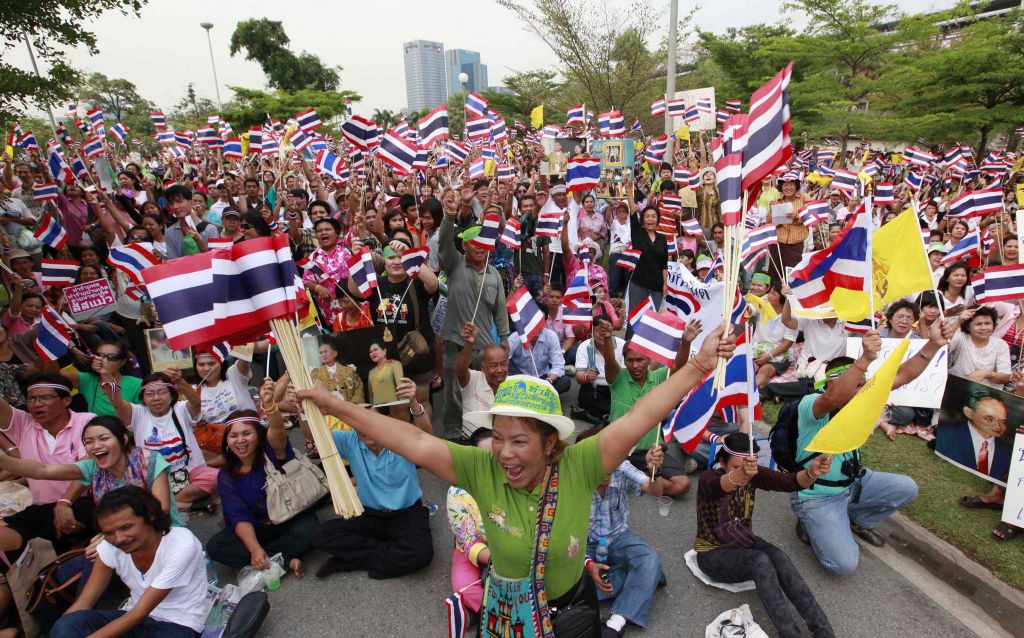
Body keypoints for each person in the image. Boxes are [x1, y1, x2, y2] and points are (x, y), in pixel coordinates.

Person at [296, 326, 735, 637]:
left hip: (574, 615)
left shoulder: (581, 465)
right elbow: (410, 439)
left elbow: (642, 414)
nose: (504, 453)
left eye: (520, 441)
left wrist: (699, 363)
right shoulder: (480, 467)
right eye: (499, 438)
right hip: (509, 615)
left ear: (550, 444)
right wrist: (333, 404)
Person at [791, 324, 947, 576]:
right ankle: (808, 524)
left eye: (864, 384)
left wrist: (934, 344)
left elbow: (903, 374)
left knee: (907, 487)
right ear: (830, 384)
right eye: (855, 384)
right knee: (843, 565)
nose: (862, 390)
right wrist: (864, 358)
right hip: (817, 497)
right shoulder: (812, 404)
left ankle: (854, 518)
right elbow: (834, 398)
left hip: (854, 483)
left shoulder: (861, 399)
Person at [695, 435, 834, 638]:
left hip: (743, 541)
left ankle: (823, 630)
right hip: (712, 553)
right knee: (761, 562)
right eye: (735, 467)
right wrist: (741, 473)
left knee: (779, 557)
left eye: (746, 469)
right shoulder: (708, 479)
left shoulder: (753, 475)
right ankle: (791, 634)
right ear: (722, 461)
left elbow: (787, 482)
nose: (744, 476)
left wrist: (811, 472)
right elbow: (719, 487)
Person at [310, 382, 435, 581]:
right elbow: (313, 436)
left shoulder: (398, 436)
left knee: (422, 553)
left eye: (371, 421)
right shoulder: (350, 439)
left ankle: (351, 560)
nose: (365, 428)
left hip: (407, 513)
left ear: (383, 421)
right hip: (370, 515)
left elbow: (427, 437)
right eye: (360, 422)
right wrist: (305, 410)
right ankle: (387, 553)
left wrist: (414, 402)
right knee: (322, 534)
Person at [50, 487, 207, 638]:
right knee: (66, 626)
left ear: (150, 516)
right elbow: (83, 604)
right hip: (130, 617)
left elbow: (140, 612)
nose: (119, 539)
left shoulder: (182, 543)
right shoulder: (109, 547)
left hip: (177, 624)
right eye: (109, 533)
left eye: (126, 527)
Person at [206, 380, 318, 578]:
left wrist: (269, 405)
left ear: (258, 436)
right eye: (234, 436)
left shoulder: (273, 452)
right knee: (215, 546)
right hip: (258, 527)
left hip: (289, 516)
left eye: (247, 434)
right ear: (227, 441)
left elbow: (278, 430)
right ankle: (284, 558)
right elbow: (238, 515)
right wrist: (254, 548)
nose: (240, 440)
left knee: (311, 530)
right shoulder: (226, 475)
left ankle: (267, 559)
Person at [0, 414, 184, 527]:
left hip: (162, 531)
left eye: (103, 438)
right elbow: (42, 471)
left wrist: (111, 537)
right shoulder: (92, 467)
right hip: (120, 539)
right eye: (89, 442)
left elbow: (162, 508)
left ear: (123, 439)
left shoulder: (149, 459)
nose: (96, 446)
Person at [438, 192, 510, 440]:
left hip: (483, 345)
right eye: (474, 243)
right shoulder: (454, 264)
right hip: (453, 342)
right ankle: (453, 434)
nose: (480, 247)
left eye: (484, 243)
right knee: (453, 392)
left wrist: (504, 337)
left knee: (480, 390)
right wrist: (449, 215)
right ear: (465, 246)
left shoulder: (494, 276)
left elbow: (500, 309)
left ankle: (481, 430)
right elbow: (445, 242)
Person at [0, 374, 97, 556]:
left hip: (84, 504)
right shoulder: (23, 424)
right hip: (41, 509)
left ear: (66, 400)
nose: (36, 404)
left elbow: (87, 469)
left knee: (38, 541)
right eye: (31, 399)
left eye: (44, 397)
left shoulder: (87, 421)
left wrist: (64, 503)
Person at [582, 432, 666, 638]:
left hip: (619, 538)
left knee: (649, 558)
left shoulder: (621, 467)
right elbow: (562, 539)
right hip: (586, 545)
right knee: (568, 583)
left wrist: (655, 470)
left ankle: (615, 623)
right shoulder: (570, 481)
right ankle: (644, 579)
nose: (607, 467)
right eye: (598, 462)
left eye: (611, 458)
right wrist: (587, 564)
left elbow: (655, 490)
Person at [102, 369, 219, 513]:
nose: (156, 398)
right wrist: (107, 377)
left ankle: (172, 503)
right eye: (150, 394)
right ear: (143, 398)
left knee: (217, 477)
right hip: (154, 478)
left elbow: (196, 402)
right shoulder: (138, 413)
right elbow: (119, 405)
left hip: (189, 472)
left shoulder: (180, 409)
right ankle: (184, 505)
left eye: (162, 392)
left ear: (171, 395)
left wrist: (180, 381)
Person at [605, 322, 699, 497]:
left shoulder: (658, 378)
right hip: (620, 450)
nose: (635, 365)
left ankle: (638, 479)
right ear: (624, 361)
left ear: (648, 359)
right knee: (600, 478)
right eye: (630, 360)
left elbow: (679, 364)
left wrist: (685, 342)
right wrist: (606, 339)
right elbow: (609, 360)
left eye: (639, 360)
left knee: (682, 485)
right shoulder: (617, 377)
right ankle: (642, 481)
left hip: (651, 452)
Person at [445, 428, 494, 620]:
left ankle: (481, 612)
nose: (493, 464)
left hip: (512, 550)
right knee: (463, 589)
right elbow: (468, 542)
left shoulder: (517, 482)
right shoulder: (457, 492)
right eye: (484, 458)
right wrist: (498, 560)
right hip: (476, 549)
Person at [935, 391, 1012, 482]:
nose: (998, 426)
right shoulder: (946, 437)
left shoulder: (1008, 452)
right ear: (969, 413)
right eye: (989, 418)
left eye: (1003, 422)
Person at [58, 340, 141, 417]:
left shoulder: (138, 384)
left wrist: (106, 374)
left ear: (123, 362)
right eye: (99, 355)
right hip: (95, 430)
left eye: (112, 357)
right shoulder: (87, 379)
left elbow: (139, 417)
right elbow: (52, 372)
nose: (104, 360)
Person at [455, 323, 508, 439]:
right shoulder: (473, 380)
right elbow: (460, 370)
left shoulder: (513, 386)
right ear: (483, 367)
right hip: (471, 444)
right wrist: (468, 344)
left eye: (503, 364)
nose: (500, 370)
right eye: (494, 365)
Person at [574, 318, 626, 426]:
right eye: (598, 331)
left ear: (612, 331)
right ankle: (612, 414)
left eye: (606, 331)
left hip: (616, 386)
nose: (602, 335)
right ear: (592, 331)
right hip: (595, 386)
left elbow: (626, 375)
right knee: (585, 395)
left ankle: (599, 414)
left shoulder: (622, 345)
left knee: (625, 397)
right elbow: (579, 377)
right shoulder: (585, 346)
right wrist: (587, 377)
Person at [947, 306, 1011, 390]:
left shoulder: (1001, 344)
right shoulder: (961, 337)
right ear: (967, 327)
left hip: (986, 395)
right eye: (978, 324)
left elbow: (1005, 377)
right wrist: (958, 321)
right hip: (958, 388)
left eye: (987, 323)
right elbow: (943, 346)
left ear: (994, 325)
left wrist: (987, 374)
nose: (984, 328)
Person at [508, 325, 569, 393]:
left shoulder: (551, 336)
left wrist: (548, 381)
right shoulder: (514, 338)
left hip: (542, 378)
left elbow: (558, 366)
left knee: (564, 382)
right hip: (520, 379)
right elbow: (504, 363)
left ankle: (533, 396)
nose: (535, 327)